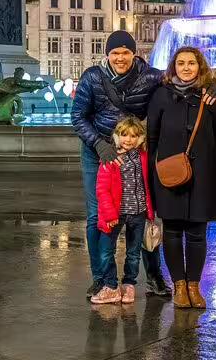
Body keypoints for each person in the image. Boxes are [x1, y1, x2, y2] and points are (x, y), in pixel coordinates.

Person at [72, 31, 182, 300]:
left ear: (134, 53)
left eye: (125, 52)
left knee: (144, 213)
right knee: (97, 216)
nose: (120, 58)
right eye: (115, 53)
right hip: (98, 152)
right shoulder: (93, 77)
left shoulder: (151, 77)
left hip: (135, 150)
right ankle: (101, 279)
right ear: (107, 55)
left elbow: (184, 84)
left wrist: (212, 88)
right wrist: (100, 144)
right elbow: (77, 116)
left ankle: (154, 278)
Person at [147, 46, 216, 309]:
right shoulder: (161, 95)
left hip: (203, 174)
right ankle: (178, 286)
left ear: (199, 66)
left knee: (197, 233)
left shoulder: (211, 97)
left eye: (191, 63)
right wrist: (152, 176)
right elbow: (152, 137)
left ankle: (194, 286)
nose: (185, 68)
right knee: (172, 233)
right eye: (180, 63)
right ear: (173, 67)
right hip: (169, 174)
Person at [91, 116, 155, 305]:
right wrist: (109, 214)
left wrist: (149, 211)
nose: (129, 139)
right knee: (105, 250)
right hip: (116, 215)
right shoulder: (110, 158)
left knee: (133, 252)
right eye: (125, 135)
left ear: (141, 138)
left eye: (134, 136)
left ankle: (129, 285)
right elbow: (102, 189)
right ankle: (111, 286)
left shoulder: (142, 156)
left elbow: (146, 185)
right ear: (118, 136)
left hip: (138, 213)